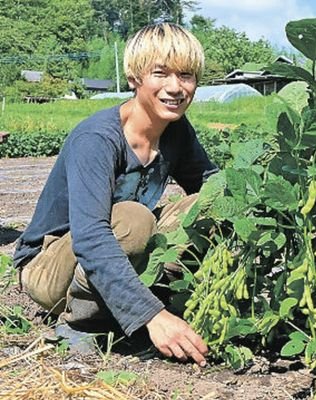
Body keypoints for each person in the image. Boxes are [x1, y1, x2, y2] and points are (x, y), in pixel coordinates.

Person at [13, 22, 217, 367]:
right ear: (135, 77)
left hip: (107, 252)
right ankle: (85, 323)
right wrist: (153, 316)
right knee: (134, 219)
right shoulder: (98, 139)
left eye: (186, 75)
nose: (175, 87)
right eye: (160, 73)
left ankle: (145, 302)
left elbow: (212, 186)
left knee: (206, 204)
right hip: (49, 266)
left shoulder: (176, 132)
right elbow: (91, 238)